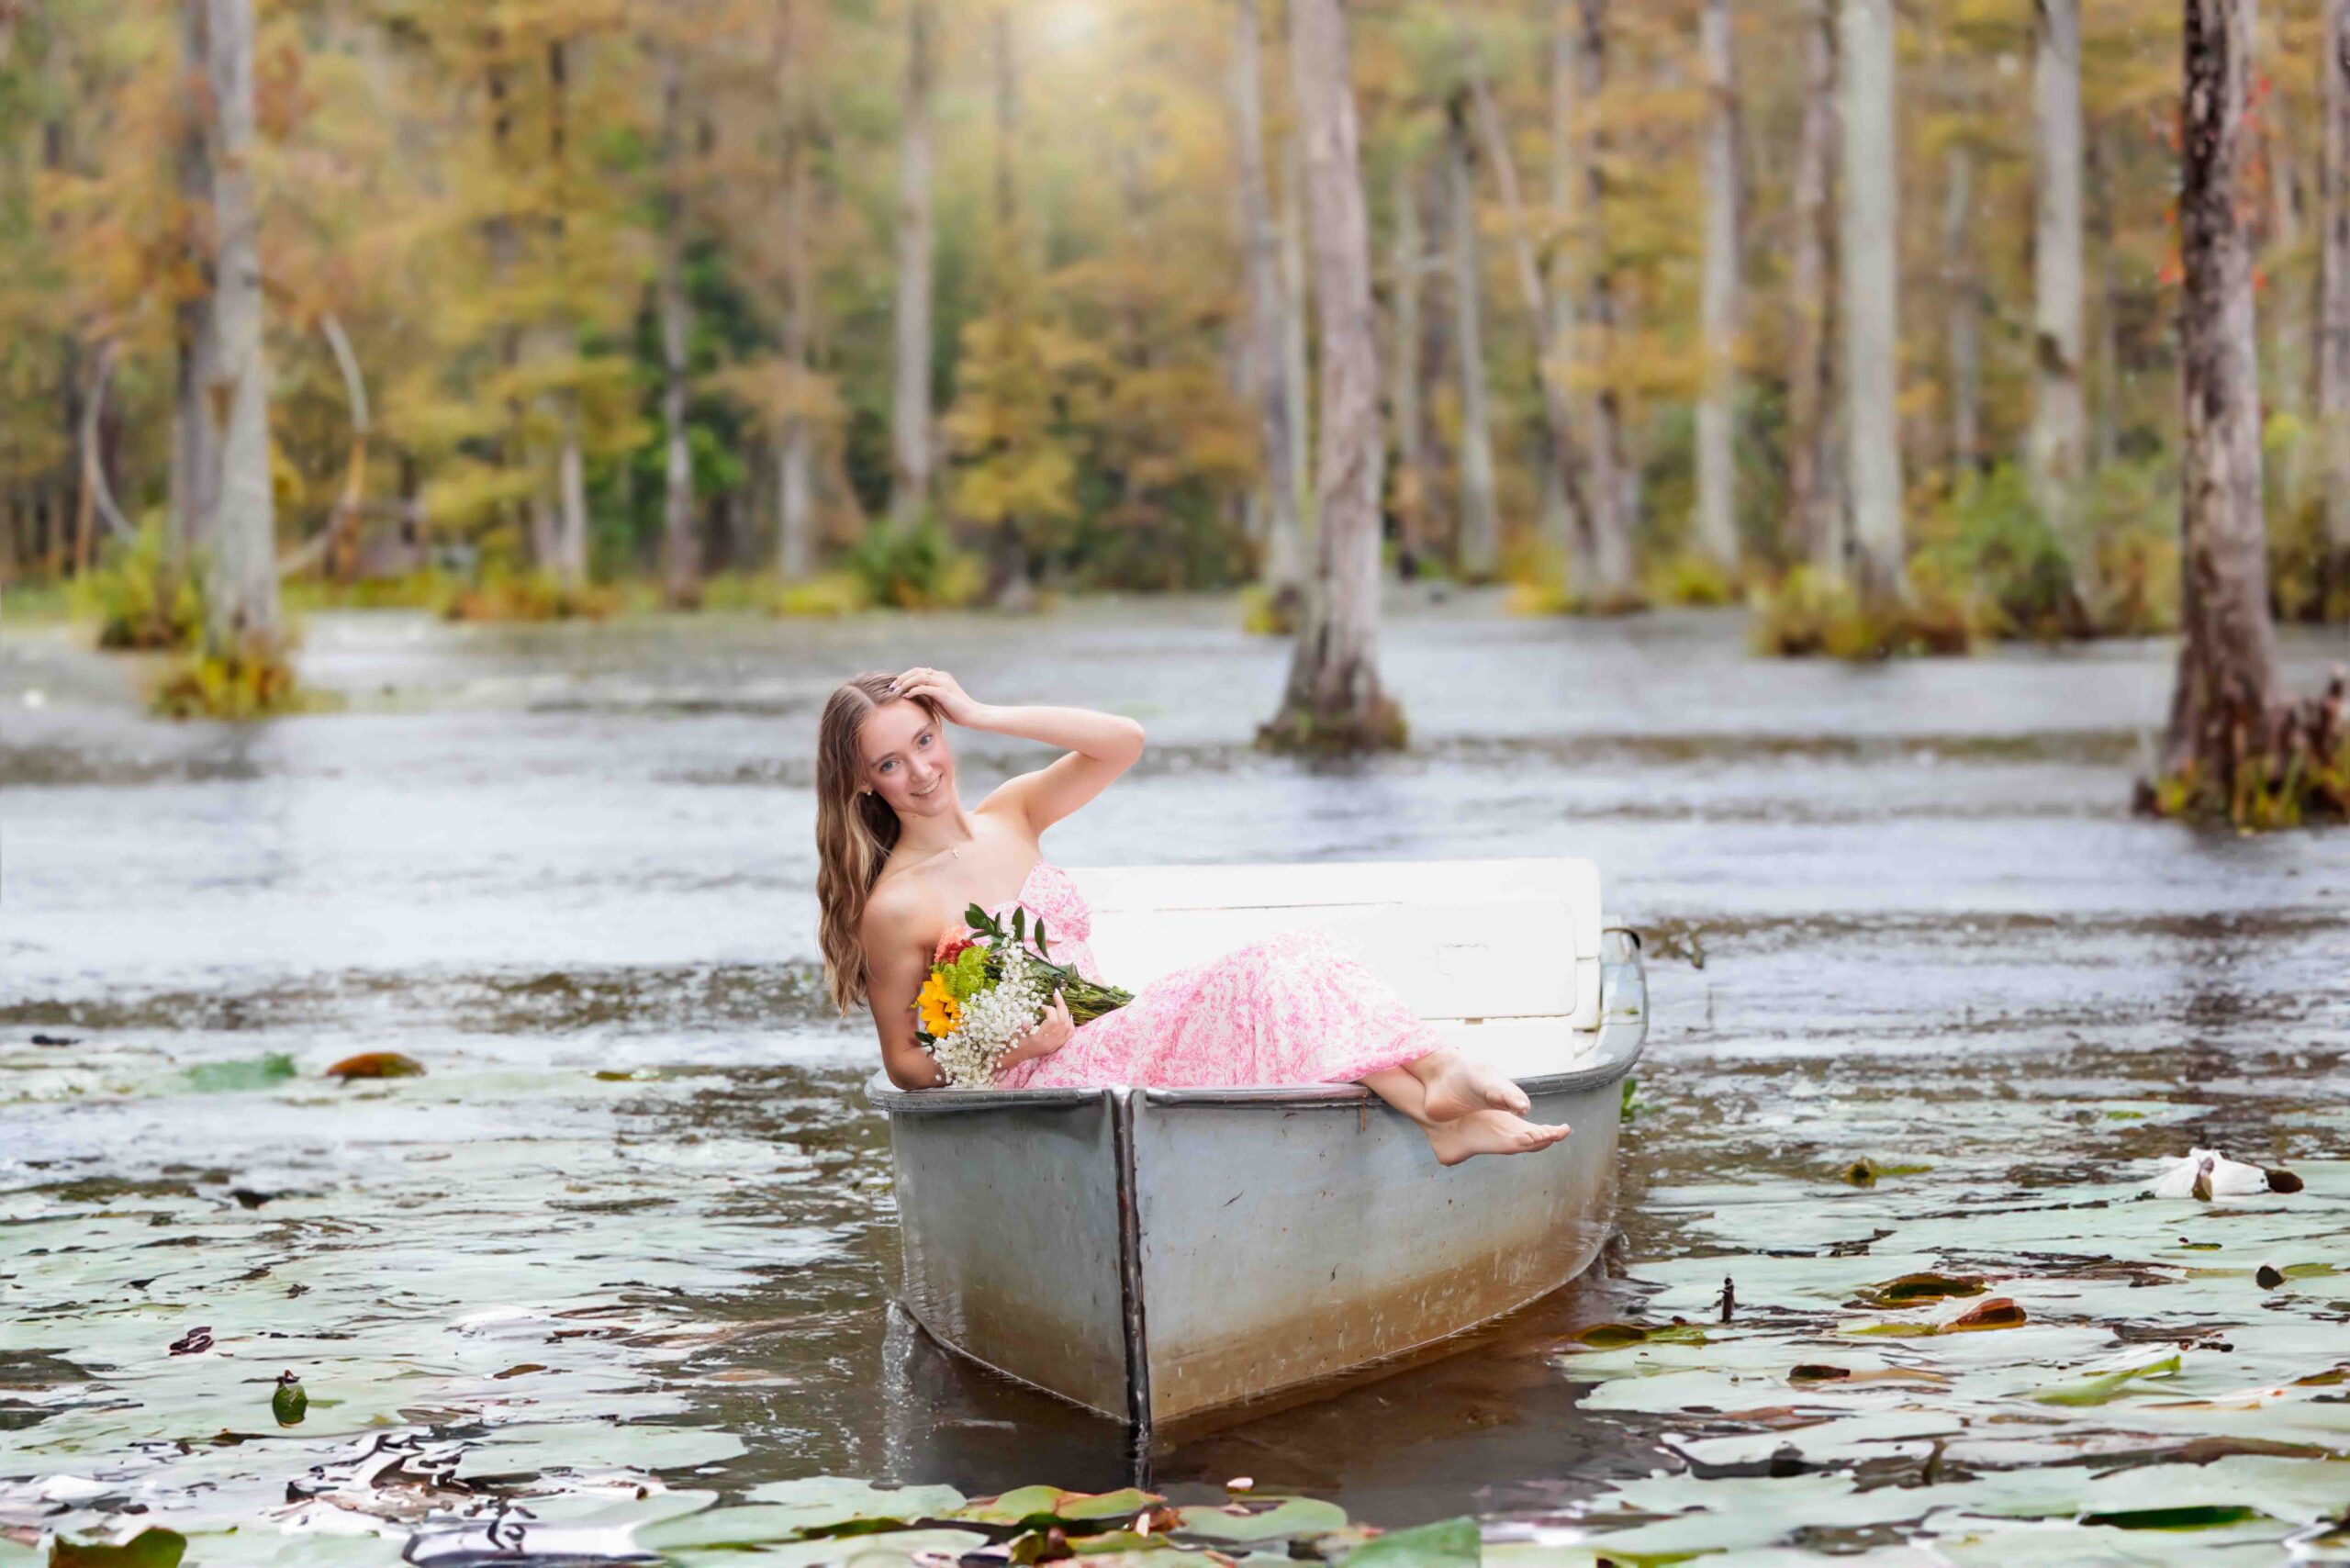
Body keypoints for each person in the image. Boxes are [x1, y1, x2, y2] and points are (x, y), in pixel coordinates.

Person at [814, 666, 1572, 1164]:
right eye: (890, 763)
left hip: (1115, 1037)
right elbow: (905, 1064)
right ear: (862, 783)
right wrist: (1009, 1049)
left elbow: (1124, 742)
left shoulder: (1010, 814)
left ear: (942, 731)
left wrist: (984, 711)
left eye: (925, 739)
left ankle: (1435, 1100)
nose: (920, 771)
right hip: (1049, 1089)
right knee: (1269, 963)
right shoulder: (896, 904)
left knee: (1288, 959)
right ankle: (1436, 1087)